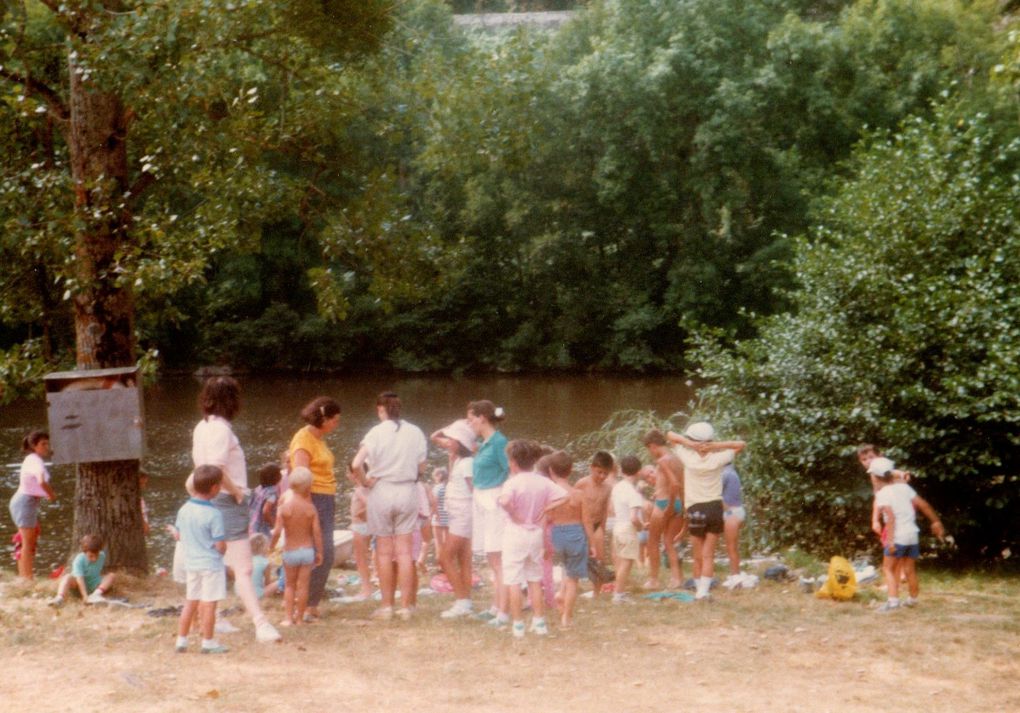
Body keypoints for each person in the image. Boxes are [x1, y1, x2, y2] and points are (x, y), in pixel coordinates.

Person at [191, 376, 280, 643]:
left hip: (207, 499)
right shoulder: (222, 430)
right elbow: (215, 469)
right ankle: (261, 624)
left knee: (213, 563)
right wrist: (239, 492)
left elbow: (201, 468)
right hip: (227, 502)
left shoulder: (201, 427)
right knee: (243, 568)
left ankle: (211, 619)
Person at [350, 391, 428, 621]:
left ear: (379, 409)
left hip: (381, 490)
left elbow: (356, 464)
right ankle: (406, 607)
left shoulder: (375, 432)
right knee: (404, 552)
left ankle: (386, 606)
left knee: (383, 552)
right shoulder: (415, 432)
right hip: (406, 489)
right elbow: (422, 467)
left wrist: (365, 482)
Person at [667, 421, 746, 601]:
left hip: (695, 508)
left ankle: (698, 591)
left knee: (697, 554)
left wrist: (690, 445)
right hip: (714, 508)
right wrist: (715, 446)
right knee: (708, 554)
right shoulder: (719, 458)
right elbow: (741, 444)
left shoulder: (687, 457)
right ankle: (703, 591)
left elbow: (670, 435)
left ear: (692, 440)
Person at [498, 440, 567, 637]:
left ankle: (518, 624)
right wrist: (546, 508)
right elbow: (565, 497)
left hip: (515, 533)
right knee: (534, 579)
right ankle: (539, 622)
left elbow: (503, 501)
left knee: (513, 580)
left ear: (513, 462)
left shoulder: (512, 482)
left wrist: (513, 513)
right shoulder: (542, 481)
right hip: (535, 533)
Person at [288, 396, 341, 621]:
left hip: (326, 498)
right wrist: (306, 508)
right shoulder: (303, 440)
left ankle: (311, 603)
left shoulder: (319, 438)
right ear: (324, 418)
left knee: (325, 552)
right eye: (335, 420)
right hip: (313, 499)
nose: (337, 424)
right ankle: (306, 605)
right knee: (321, 552)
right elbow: (300, 477)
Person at [868, 457, 945, 612]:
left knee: (888, 568)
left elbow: (890, 518)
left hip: (897, 536)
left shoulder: (882, 494)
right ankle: (913, 599)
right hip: (912, 534)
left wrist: (889, 541)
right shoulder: (905, 488)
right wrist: (936, 522)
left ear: (875, 477)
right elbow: (924, 505)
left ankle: (892, 602)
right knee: (909, 568)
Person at [175, 465, 229, 654]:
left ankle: (181, 640)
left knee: (191, 601)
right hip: (210, 565)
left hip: (192, 563)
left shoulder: (184, 510)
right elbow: (220, 545)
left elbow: (179, 535)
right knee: (209, 604)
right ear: (214, 488)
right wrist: (222, 549)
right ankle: (208, 642)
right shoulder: (214, 514)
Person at [466, 399, 511, 626]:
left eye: (471, 418)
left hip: (495, 502)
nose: (469, 422)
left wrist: (504, 499)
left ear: (482, 418)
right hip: (482, 500)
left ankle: (504, 612)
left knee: (498, 559)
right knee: (491, 557)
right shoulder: (485, 443)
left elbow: (512, 472)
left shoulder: (499, 442)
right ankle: (495, 606)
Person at [432, 419, 476, 620]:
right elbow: (434, 438)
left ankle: (462, 601)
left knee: (445, 557)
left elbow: (473, 489)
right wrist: (452, 426)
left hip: (463, 514)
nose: (447, 442)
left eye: (451, 439)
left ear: (460, 442)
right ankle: (466, 599)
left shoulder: (467, 463)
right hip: (459, 513)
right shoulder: (459, 459)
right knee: (463, 559)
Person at [271, 467, 324, 626]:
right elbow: (317, 533)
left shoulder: (284, 508)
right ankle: (300, 618)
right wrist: (319, 552)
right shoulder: (311, 508)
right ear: (309, 487)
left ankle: (288, 618)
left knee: (289, 585)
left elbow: (277, 531)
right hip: (307, 551)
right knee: (303, 586)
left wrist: (271, 546)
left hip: (291, 550)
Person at [545, 450, 588, 628]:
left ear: (551, 471)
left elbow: (546, 518)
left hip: (557, 534)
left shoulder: (549, 493)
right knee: (573, 577)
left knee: (564, 565)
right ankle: (566, 617)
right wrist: (591, 543)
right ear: (570, 471)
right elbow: (587, 521)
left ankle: (560, 594)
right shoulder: (578, 494)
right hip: (575, 533)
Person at [8, 430, 56, 580]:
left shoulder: (32, 459)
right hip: (25, 503)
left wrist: (44, 494)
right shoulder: (35, 460)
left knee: (26, 541)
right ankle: (27, 578)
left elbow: (36, 483)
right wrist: (51, 495)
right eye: (43, 444)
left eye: (47, 443)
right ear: (34, 446)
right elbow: (41, 481)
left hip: (25, 501)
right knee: (28, 544)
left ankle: (25, 577)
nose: (46, 447)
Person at [641, 429, 685, 589]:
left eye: (649, 449)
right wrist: (681, 508)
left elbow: (674, 484)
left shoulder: (662, 461)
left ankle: (654, 579)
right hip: (678, 503)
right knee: (669, 542)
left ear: (653, 446)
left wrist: (669, 507)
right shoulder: (678, 459)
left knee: (652, 541)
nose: (651, 453)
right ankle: (677, 578)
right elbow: (681, 485)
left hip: (664, 504)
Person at [610, 456, 647, 603]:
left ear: (621, 470)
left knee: (620, 561)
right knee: (627, 562)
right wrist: (641, 526)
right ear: (638, 472)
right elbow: (633, 518)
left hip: (617, 526)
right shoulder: (634, 494)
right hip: (627, 529)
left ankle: (619, 591)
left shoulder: (618, 487)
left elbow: (614, 508)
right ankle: (618, 595)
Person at [48, 534, 116, 607]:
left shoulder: (102, 555)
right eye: (91, 556)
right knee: (67, 577)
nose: (94, 559)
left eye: (97, 555)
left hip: (94, 584)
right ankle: (59, 598)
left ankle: (95, 595)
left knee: (112, 576)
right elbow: (79, 579)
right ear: (84, 552)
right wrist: (85, 596)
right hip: (78, 586)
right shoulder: (79, 560)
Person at [575, 451, 614, 568]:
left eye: (605, 473)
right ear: (592, 468)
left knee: (600, 560)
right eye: (599, 472)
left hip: (597, 526)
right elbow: (572, 505)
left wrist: (603, 527)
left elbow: (604, 510)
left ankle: (599, 585)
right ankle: (571, 584)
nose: (602, 476)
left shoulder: (607, 488)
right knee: (576, 559)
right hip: (581, 526)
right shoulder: (582, 484)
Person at [721, 463, 750, 589]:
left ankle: (735, 576)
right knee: (733, 547)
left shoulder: (725, 474)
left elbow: (715, 493)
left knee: (731, 547)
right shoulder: (732, 472)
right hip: (737, 511)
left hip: (731, 513)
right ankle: (735, 574)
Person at [249, 463, 282, 537]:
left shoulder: (258, 488)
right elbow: (265, 511)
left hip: (252, 524)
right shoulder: (272, 493)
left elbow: (250, 505)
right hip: (262, 529)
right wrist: (273, 524)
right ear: (276, 477)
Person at [430, 466, 449, 564]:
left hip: (438, 517)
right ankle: (447, 563)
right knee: (446, 543)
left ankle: (440, 564)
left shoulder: (437, 488)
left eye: (435, 476)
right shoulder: (448, 487)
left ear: (440, 476)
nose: (434, 478)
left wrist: (434, 514)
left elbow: (434, 502)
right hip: (448, 518)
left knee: (439, 543)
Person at [248, 533, 273, 600]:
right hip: (256, 594)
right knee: (277, 583)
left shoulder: (246, 559)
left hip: (241, 592)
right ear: (264, 547)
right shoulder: (265, 562)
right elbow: (267, 583)